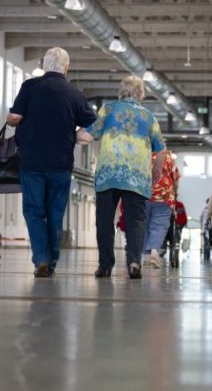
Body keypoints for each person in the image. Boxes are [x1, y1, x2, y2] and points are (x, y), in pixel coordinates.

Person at [7, 47, 97, 278]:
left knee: (34, 210)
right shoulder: (75, 94)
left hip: (32, 161)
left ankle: (42, 259)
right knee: (55, 212)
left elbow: (15, 118)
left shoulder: (30, 87)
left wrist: (11, 118)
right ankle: (52, 261)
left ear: (45, 64)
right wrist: (74, 135)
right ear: (66, 68)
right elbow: (93, 127)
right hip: (61, 163)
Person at [82, 75, 166, 279]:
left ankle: (105, 266)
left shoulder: (108, 109)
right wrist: (156, 171)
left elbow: (89, 135)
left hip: (108, 174)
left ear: (121, 91)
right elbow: (161, 150)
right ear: (141, 94)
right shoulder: (148, 117)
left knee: (104, 221)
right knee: (136, 222)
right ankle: (134, 262)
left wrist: (68, 135)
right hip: (137, 177)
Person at [142, 149, 180, 268]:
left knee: (144, 226)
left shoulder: (141, 153)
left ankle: (146, 256)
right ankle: (154, 252)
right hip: (163, 196)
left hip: (143, 195)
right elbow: (176, 178)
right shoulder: (167, 156)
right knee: (159, 226)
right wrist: (174, 192)